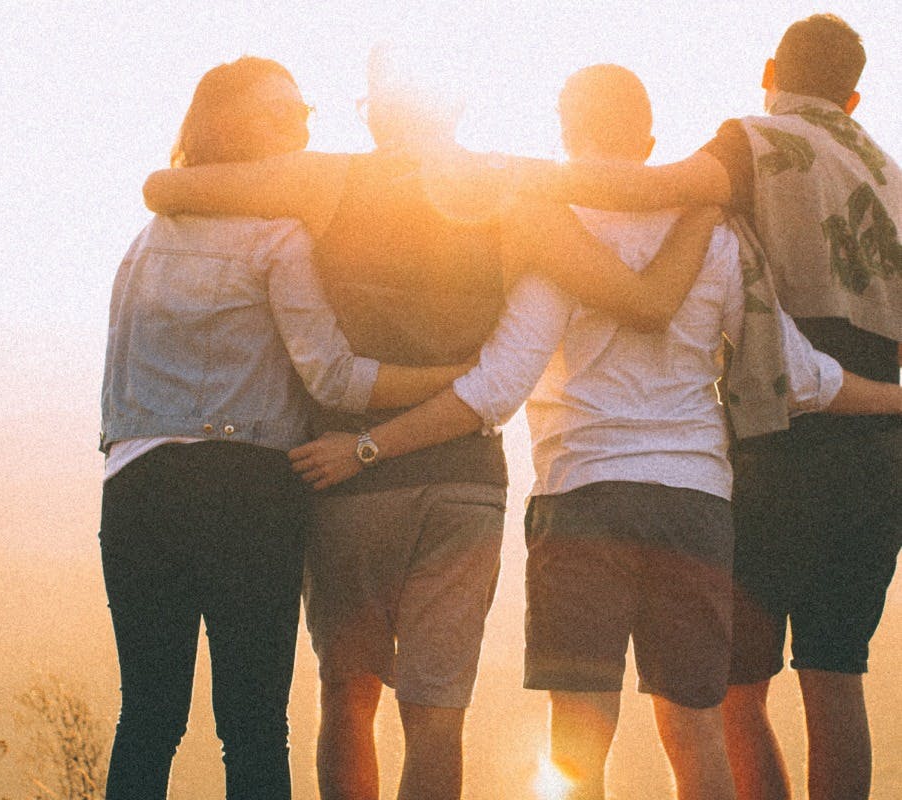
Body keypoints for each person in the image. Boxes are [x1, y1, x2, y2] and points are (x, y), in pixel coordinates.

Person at [291, 63, 902, 800]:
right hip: (695, 503)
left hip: (583, 500)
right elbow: (798, 375)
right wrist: (893, 398)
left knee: (579, 740)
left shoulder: (555, 236)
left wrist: (370, 446)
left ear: (565, 133)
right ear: (648, 141)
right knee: (697, 734)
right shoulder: (715, 235)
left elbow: (497, 388)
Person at [142, 48, 720, 800]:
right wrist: (706, 203)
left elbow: (167, 187)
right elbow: (643, 302)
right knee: (436, 718)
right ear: (454, 108)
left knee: (347, 702)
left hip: (344, 481)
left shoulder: (325, 180)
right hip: (463, 484)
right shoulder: (513, 198)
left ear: (376, 111)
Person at [513, 15, 902, 800]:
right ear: (855, 95)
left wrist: (506, 179)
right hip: (881, 443)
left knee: (731, 690)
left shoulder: (754, 141)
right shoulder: (891, 177)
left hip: (779, 444)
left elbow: (649, 189)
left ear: (770, 71)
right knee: (836, 677)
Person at [99, 55, 484, 800]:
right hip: (245, 489)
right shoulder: (277, 237)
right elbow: (334, 378)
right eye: (282, 113)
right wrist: (453, 378)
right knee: (251, 726)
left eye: (305, 111)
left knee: (146, 716)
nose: (303, 125)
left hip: (134, 489)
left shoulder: (145, 242)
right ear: (231, 124)